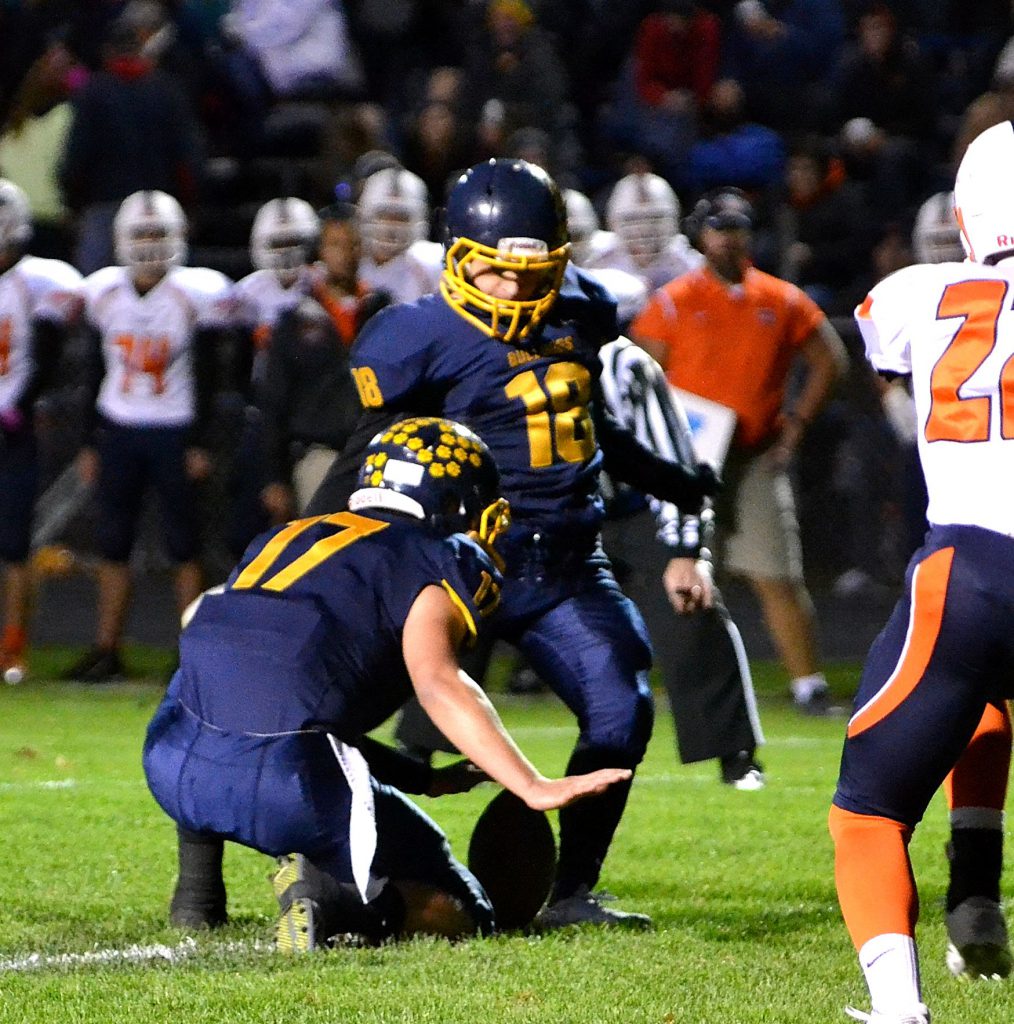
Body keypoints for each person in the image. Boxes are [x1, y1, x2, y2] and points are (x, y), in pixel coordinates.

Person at [305, 158, 717, 929]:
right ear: (459, 256)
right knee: (377, 719)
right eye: (496, 275)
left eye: (535, 276)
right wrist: (302, 551)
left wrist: (668, 478)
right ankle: (344, 877)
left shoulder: (584, 309)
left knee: (620, 710)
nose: (516, 292)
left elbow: (589, 426)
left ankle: (573, 891)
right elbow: (362, 456)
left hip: (563, 563)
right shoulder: (415, 337)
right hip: (452, 565)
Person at [144, 416, 632, 949]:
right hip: (285, 787)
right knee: (465, 908)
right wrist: (531, 785)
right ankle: (331, 899)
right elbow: (438, 684)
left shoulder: (285, 537)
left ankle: (197, 895)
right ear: (460, 504)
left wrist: (424, 780)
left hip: (170, 758)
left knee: (222, 697)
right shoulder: (436, 555)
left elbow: (277, 704)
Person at [829, 120, 1014, 1024]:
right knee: (985, 696)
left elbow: (884, 355)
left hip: (974, 564)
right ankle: (975, 895)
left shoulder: (918, 291)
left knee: (868, 810)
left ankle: (900, 1011)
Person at [630, 186, 848, 715]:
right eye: (719, 229)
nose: (728, 240)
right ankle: (691, 691)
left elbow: (831, 360)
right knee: (681, 578)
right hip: (686, 463)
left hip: (752, 456)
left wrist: (795, 422)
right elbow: (637, 371)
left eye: (737, 229)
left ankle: (808, 687)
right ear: (701, 235)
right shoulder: (674, 300)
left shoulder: (781, 297)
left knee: (777, 574)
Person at [63, 190, 233, 683]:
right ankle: (106, 649)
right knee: (112, 543)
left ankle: (190, 654)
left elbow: (209, 373)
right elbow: (94, 369)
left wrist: (201, 442)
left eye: (158, 233)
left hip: (174, 429)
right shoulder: (104, 293)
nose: (150, 244)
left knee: (184, 546)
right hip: (118, 426)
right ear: (120, 239)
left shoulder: (193, 294)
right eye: (141, 233)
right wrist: (89, 441)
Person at [598, 335, 765, 789]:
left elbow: (673, 460)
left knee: (689, 607)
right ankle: (422, 745)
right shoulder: (482, 351)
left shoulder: (623, 363)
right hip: (542, 512)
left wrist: (684, 553)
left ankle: (734, 753)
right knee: (464, 597)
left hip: (635, 513)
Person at [0, 179, 82, 683]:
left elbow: (46, 358)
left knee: (13, 544)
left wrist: (21, 408)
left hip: (13, 429)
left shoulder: (38, 283)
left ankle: (13, 647)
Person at [227, 196, 321, 555]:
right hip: (264, 413)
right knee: (247, 526)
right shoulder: (248, 294)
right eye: (277, 243)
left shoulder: (321, 289)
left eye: (294, 243)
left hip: (308, 413)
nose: (285, 253)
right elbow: (239, 364)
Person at [355, 166, 443, 304]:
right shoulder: (351, 263)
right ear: (366, 215)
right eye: (384, 215)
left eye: (401, 217)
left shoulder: (429, 265)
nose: (391, 227)